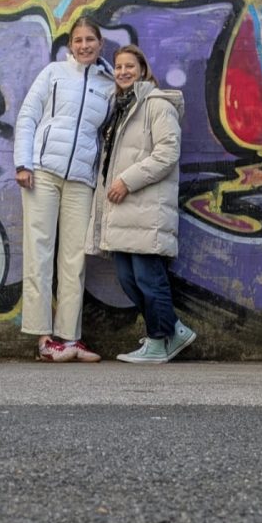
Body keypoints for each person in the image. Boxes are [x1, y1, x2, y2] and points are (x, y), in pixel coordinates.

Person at [86, 44, 196, 364]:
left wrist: (126, 181)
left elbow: (167, 153)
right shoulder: (121, 108)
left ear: (143, 70)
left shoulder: (157, 105)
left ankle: (159, 341)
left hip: (146, 207)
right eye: (119, 67)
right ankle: (173, 331)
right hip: (123, 210)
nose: (123, 72)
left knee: (149, 279)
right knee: (128, 278)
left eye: (130, 66)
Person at [14, 16, 115, 363]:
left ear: (100, 44)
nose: (84, 45)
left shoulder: (108, 86)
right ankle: (44, 339)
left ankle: (70, 338)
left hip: (81, 180)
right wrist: (23, 163)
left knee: (75, 258)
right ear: (70, 45)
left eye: (90, 39)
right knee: (39, 252)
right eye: (78, 40)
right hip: (42, 172)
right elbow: (28, 116)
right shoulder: (53, 73)